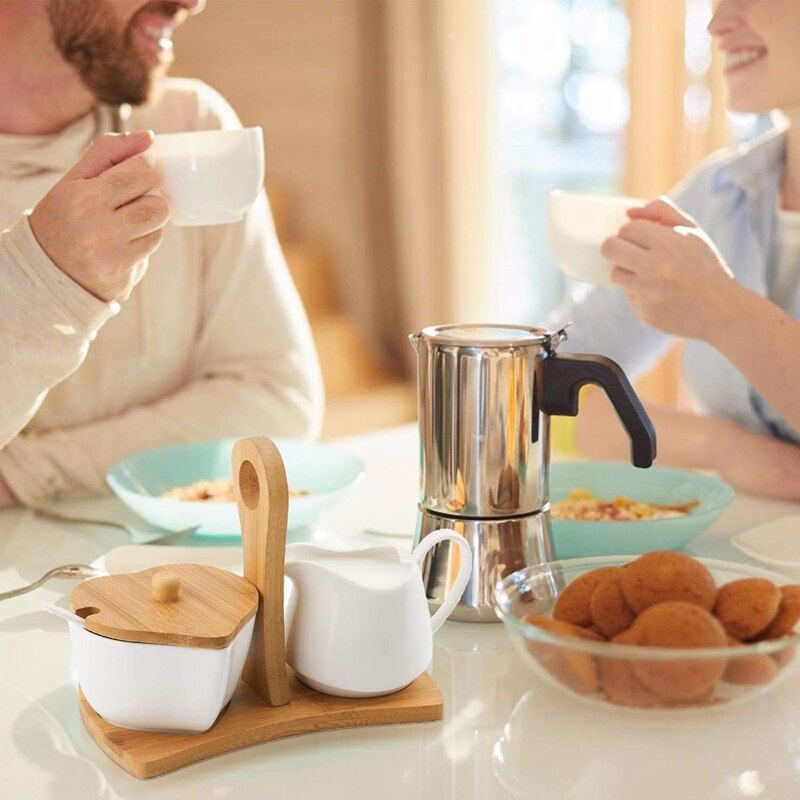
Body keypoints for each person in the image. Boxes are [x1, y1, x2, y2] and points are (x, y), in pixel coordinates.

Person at [0, 0, 324, 507]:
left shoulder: (189, 130)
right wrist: (45, 277)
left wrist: (22, 473)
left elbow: (278, 401)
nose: (195, 3)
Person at [551, 0, 800, 501]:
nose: (716, 23)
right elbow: (552, 390)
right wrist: (725, 448)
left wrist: (722, 311)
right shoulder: (718, 191)